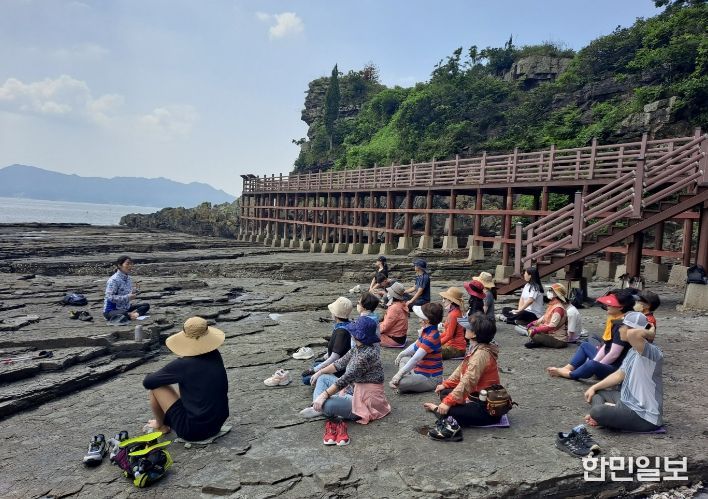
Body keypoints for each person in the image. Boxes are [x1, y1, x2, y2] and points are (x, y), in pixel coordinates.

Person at [142, 317, 228, 441]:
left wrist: (168, 372)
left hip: (193, 431)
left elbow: (148, 382)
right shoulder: (215, 354)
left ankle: (161, 426)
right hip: (216, 424)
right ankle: (164, 423)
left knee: (155, 388)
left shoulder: (183, 365)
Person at [300, 316, 391, 425]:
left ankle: (320, 407)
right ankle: (318, 406)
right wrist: (319, 372)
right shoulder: (358, 348)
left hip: (366, 400)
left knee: (328, 404)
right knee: (323, 378)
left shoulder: (365, 355)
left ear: (357, 335)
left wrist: (324, 395)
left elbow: (345, 379)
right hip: (353, 389)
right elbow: (339, 363)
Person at [583, 312, 663, 432]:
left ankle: (603, 416)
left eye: (622, 326)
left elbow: (633, 334)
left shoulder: (651, 352)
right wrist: (594, 387)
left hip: (644, 416)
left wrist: (651, 332)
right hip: (627, 401)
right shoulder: (633, 351)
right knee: (596, 393)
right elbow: (619, 375)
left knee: (597, 411)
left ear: (632, 329)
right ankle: (606, 415)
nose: (619, 330)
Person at [422, 314, 502, 426]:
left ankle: (438, 410)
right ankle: (449, 408)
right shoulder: (477, 347)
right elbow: (461, 369)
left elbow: (469, 379)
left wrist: (448, 402)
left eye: (468, 327)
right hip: (475, 396)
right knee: (444, 391)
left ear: (474, 334)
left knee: (449, 412)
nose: (465, 329)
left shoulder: (481, 354)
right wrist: (446, 384)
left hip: (486, 407)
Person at [547, 290, 635, 381]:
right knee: (585, 345)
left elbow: (614, 354)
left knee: (591, 364)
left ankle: (570, 374)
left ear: (620, 307)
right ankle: (567, 368)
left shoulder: (622, 326)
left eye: (610, 304)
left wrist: (597, 365)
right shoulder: (614, 320)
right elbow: (606, 346)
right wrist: (596, 361)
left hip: (615, 368)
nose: (607, 306)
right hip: (607, 359)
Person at [389, 303, 443, 393]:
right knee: (404, 358)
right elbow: (414, 347)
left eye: (421, 317)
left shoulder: (432, 336)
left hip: (430, 377)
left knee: (401, 383)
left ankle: (405, 378)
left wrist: (399, 374)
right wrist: (402, 354)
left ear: (427, 320)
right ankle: (407, 376)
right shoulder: (427, 331)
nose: (419, 320)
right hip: (419, 370)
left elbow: (416, 358)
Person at [302, 297, 352, 385]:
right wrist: (324, 358)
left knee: (305, 379)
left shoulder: (341, 332)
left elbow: (334, 358)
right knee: (317, 363)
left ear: (335, 314)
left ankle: (330, 383)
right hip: (343, 364)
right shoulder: (348, 324)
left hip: (340, 369)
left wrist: (314, 370)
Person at [103, 255, 150, 322]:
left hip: (125, 308)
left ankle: (133, 315)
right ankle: (130, 315)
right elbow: (110, 297)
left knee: (146, 305)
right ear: (119, 265)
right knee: (123, 313)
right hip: (111, 310)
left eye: (131, 264)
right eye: (127, 264)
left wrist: (134, 291)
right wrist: (128, 297)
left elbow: (126, 293)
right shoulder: (113, 280)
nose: (130, 266)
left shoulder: (128, 278)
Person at [524, 283, 569, 349]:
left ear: (556, 294)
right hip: (550, 334)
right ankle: (538, 342)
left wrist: (536, 330)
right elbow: (543, 318)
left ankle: (537, 341)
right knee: (532, 329)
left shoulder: (558, 308)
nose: (548, 292)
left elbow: (552, 326)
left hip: (558, 339)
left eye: (551, 290)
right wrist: (532, 324)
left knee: (535, 335)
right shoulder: (552, 305)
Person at [439, 287, 467, 359]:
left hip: (456, 348)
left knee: (428, 353)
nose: (443, 301)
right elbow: (446, 332)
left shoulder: (454, 314)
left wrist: (435, 344)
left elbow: (449, 335)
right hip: (453, 346)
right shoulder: (454, 311)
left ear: (451, 301)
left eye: (445, 299)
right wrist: (436, 339)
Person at [379, 282, 409, 348]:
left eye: (389, 292)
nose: (387, 294)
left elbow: (385, 327)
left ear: (393, 295)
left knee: (366, 336)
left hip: (394, 339)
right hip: (401, 337)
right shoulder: (402, 303)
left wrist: (374, 328)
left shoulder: (394, 308)